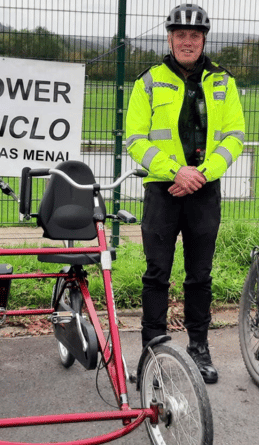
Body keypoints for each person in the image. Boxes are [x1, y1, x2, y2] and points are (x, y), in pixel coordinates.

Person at [126, 3, 245, 384]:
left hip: (204, 192)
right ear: (169, 37)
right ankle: (153, 352)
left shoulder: (224, 82)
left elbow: (235, 138)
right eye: (181, 35)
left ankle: (199, 348)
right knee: (156, 274)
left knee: (200, 276)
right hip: (162, 190)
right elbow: (135, 139)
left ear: (204, 39)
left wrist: (201, 174)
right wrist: (176, 171)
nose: (188, 41)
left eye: (195, 35)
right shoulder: (148, 81)